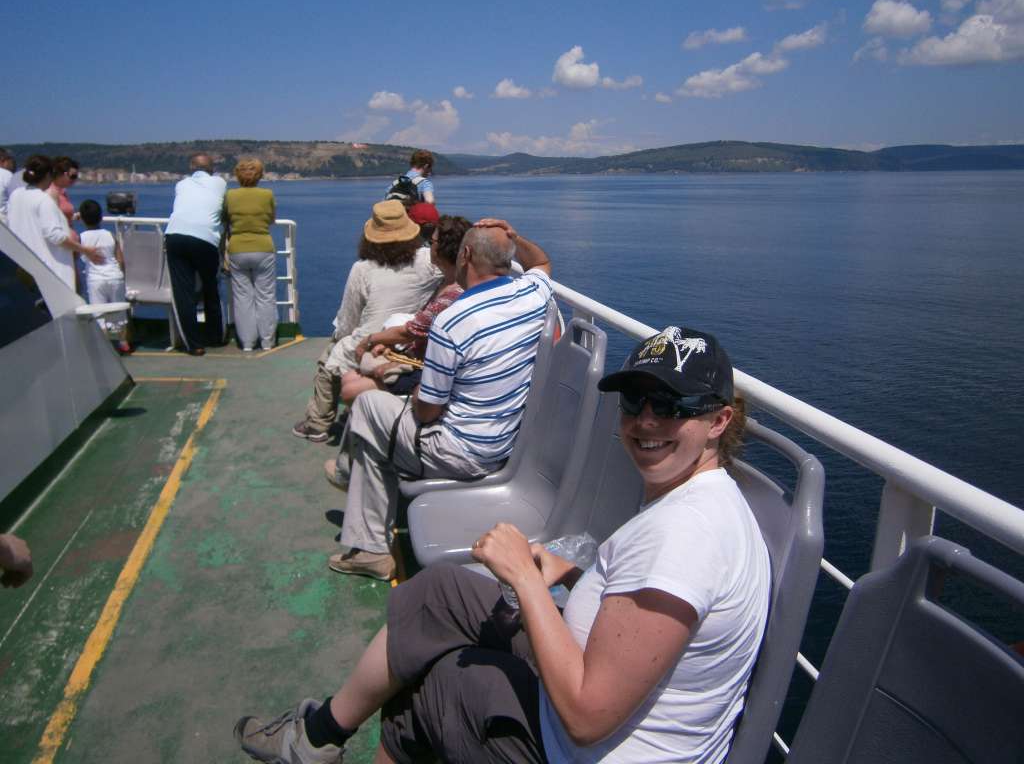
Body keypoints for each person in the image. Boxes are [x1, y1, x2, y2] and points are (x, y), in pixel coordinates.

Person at [235, 326, 771, 764]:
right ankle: (318, 737)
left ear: (719, 421)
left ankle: (338, 739)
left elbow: (585, 717)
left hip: (580, 745)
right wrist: (574, 575)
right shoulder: (700, 498)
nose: (647, 420)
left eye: (673, 406)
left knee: (433, 688)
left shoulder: (685, 537)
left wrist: (524, 578)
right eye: (635, 400)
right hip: (595, 694)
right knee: (443, 591)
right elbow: (647, 618)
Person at [327, 218, 554, 581]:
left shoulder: (453, 320)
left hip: (460, 454)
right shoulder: (532, 294)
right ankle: (350, 481)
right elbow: (541, 263)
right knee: (375, 425)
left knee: (368, 409)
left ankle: (367, 543)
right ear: (507, 260)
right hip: (503, 443)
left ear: (465, 255)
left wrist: (419, 395)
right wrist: (513, 236)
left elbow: (428, 412)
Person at [291, 200, 441, 443]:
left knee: (327, 361)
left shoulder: (363, 269)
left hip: (373, 342)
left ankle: (317, 424)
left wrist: (339, 340)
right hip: (407, 338)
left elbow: (348, 319)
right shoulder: (427, 261)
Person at [335, 213, 471, 407]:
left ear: (442, 249)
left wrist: (370, 340)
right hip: (417, 357)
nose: (427, 246)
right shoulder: (442, 280)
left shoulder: (450, 293)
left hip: (426, 370)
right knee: (349, 379)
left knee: (348, 389)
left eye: (432, 242)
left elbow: (410, 331)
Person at [164, 153, 228, 356]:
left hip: (175, 237)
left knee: (183, 293)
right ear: (212, 169)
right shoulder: (219, 183)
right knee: (211, 287)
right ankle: (215, 337)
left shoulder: (181, 185)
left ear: (192, 167)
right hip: (205, 239)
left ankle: (194, 344)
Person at [7, 154, 100, 290]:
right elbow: (55, 236)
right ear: (47, 175)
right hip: (48, 268)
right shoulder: (44, 200)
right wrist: (85, 250)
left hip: (22, 263)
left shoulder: (16, 195)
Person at [225, 158, 278, 351]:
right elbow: (272, 218)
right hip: (263, 247)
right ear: (260, 175)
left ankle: (247, 343)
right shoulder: (267, 194)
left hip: (237, 249)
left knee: (242, 298)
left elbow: (226, 219)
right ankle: (267, 341)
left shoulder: (230, 195)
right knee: (266, 296)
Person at [79, 199, 131, 354]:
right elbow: (120, 260)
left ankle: (104, 348)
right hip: (115, 277)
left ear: (82, 218)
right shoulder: (110, 235)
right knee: (119, 312)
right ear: (101, 217)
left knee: (99, 313)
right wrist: (123, 277)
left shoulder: (81, 238)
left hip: (95, 280)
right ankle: (124, 343)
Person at [0, 148, 15, 223]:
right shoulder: (7, 175)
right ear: (3, 161)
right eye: (11, 161)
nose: (12, 164)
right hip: (4, 222)